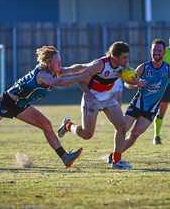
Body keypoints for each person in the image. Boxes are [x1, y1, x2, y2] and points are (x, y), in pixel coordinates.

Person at [0, 46, 90, 168]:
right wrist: (81, 77)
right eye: (58, 60)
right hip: (7, 102)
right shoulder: (43, 75)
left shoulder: (51, 70)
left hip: (20, 105)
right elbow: (62, 82)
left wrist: (89, 68)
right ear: (49, 62)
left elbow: (71, 69)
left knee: (46, 124)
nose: (60, 62)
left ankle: (65, 157)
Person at [106, 39, 170, 167]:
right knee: (122, 129)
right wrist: (136, 83)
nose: (156, 52)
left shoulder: (169, 69)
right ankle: (116, 158)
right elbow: (128, 83)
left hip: (151, 110)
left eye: (159, 50)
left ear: (164, 53)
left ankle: (114, 156)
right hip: (136, 105)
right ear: (151, 51)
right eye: (154, 50)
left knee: (134, 135)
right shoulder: (144, 67)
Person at [57, 41, 136, 170]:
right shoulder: (100, 65)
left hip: (108, 98)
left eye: (127, 57)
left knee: (122, 127)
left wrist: (138, 82)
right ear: (114, 57)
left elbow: (129, 83)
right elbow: (81, 77)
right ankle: (67, 125)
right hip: (92, 99)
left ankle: (116, 161)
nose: (127, 60)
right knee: (87, 134)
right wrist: (87, 93)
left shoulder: (124, 68)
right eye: (124, 57)